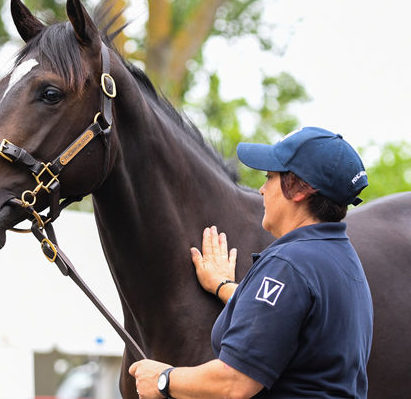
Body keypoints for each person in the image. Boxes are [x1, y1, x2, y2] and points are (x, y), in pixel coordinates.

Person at [129, 127, 373, 398]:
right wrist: (223, 286)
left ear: (297, 188)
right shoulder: (343, 260)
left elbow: (234, 382)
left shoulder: (289, 264)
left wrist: (164, 379)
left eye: (270, 178)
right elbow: (288, 317)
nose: (262, 189)